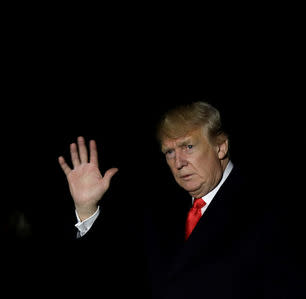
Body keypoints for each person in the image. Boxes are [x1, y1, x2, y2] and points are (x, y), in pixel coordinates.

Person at [57, 101, 304, 299]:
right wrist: (86, 208)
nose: (179, 162)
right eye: (170, 152)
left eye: (188, 147)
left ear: (220, 147)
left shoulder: (270, 209)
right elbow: (107, 275)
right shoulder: (159, 210)